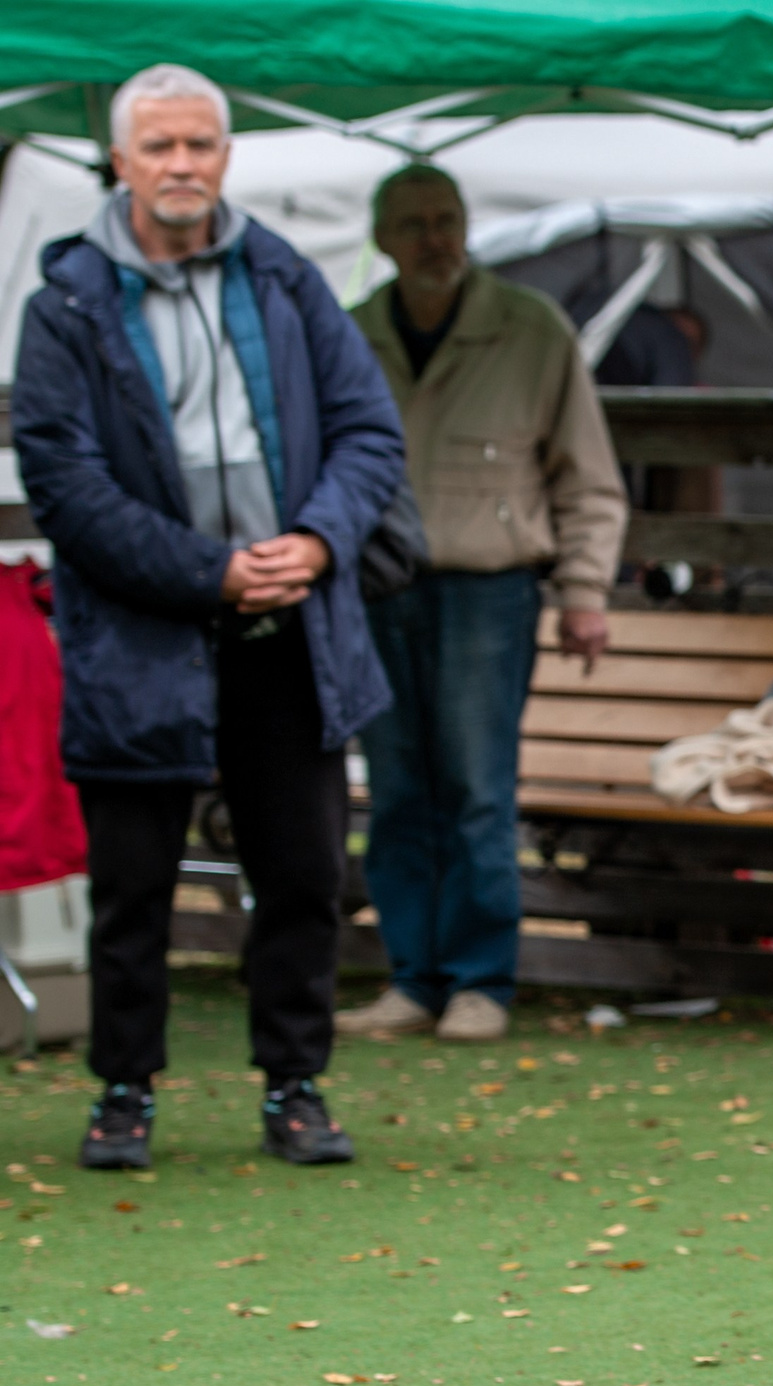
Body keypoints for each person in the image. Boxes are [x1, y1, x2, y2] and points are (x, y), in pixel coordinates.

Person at [13, 64, 406, 1170]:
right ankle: (124, 1093)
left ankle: (295, 1085)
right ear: (120, 162)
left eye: (200, 146)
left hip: (293, 633)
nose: (182, 166)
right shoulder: (67, 308)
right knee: (133, 885)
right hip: (140, 641)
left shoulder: (288, 284)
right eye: (160, 148)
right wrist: (210, 572)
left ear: (226, 156)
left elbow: (369, 432)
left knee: (303, 874)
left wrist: (321, 540)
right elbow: (66, 486)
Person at [334, 164, 627, 1044]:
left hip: (489, 586)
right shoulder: (350, 335)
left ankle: (479, 982)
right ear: (383, 238)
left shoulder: (529, 328)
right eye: (415, 223)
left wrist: (584, 591)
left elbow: (588, 473)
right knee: (393, 790)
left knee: (475, 788)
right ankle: (410, 978)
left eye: (447, 219)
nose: (435, 237)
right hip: (375, 586)